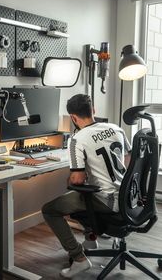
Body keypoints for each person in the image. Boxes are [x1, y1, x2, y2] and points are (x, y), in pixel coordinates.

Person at [42, 94, 131, 278]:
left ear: (73, 118)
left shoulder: (77, 139)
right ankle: (90, 239)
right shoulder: (116, 128)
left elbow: (77, 180)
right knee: (82, 194)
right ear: (93, 111)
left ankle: (78, 259)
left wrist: (72, 178)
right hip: (128, 195)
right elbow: (129, 159)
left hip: (107, 201)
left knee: (51, 209)